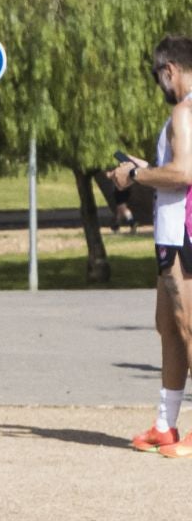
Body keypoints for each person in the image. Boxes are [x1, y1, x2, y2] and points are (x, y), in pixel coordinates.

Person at [110, 35, 192, 456]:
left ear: (169, 71)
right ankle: (166, 423)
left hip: (184, 234)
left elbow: (183, 173)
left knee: (189, 326)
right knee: (169, 327)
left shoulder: (184, 110)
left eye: (158, 77)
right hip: (169, 233)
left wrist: (136, 179)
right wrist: (141, 168)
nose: (159, 85)